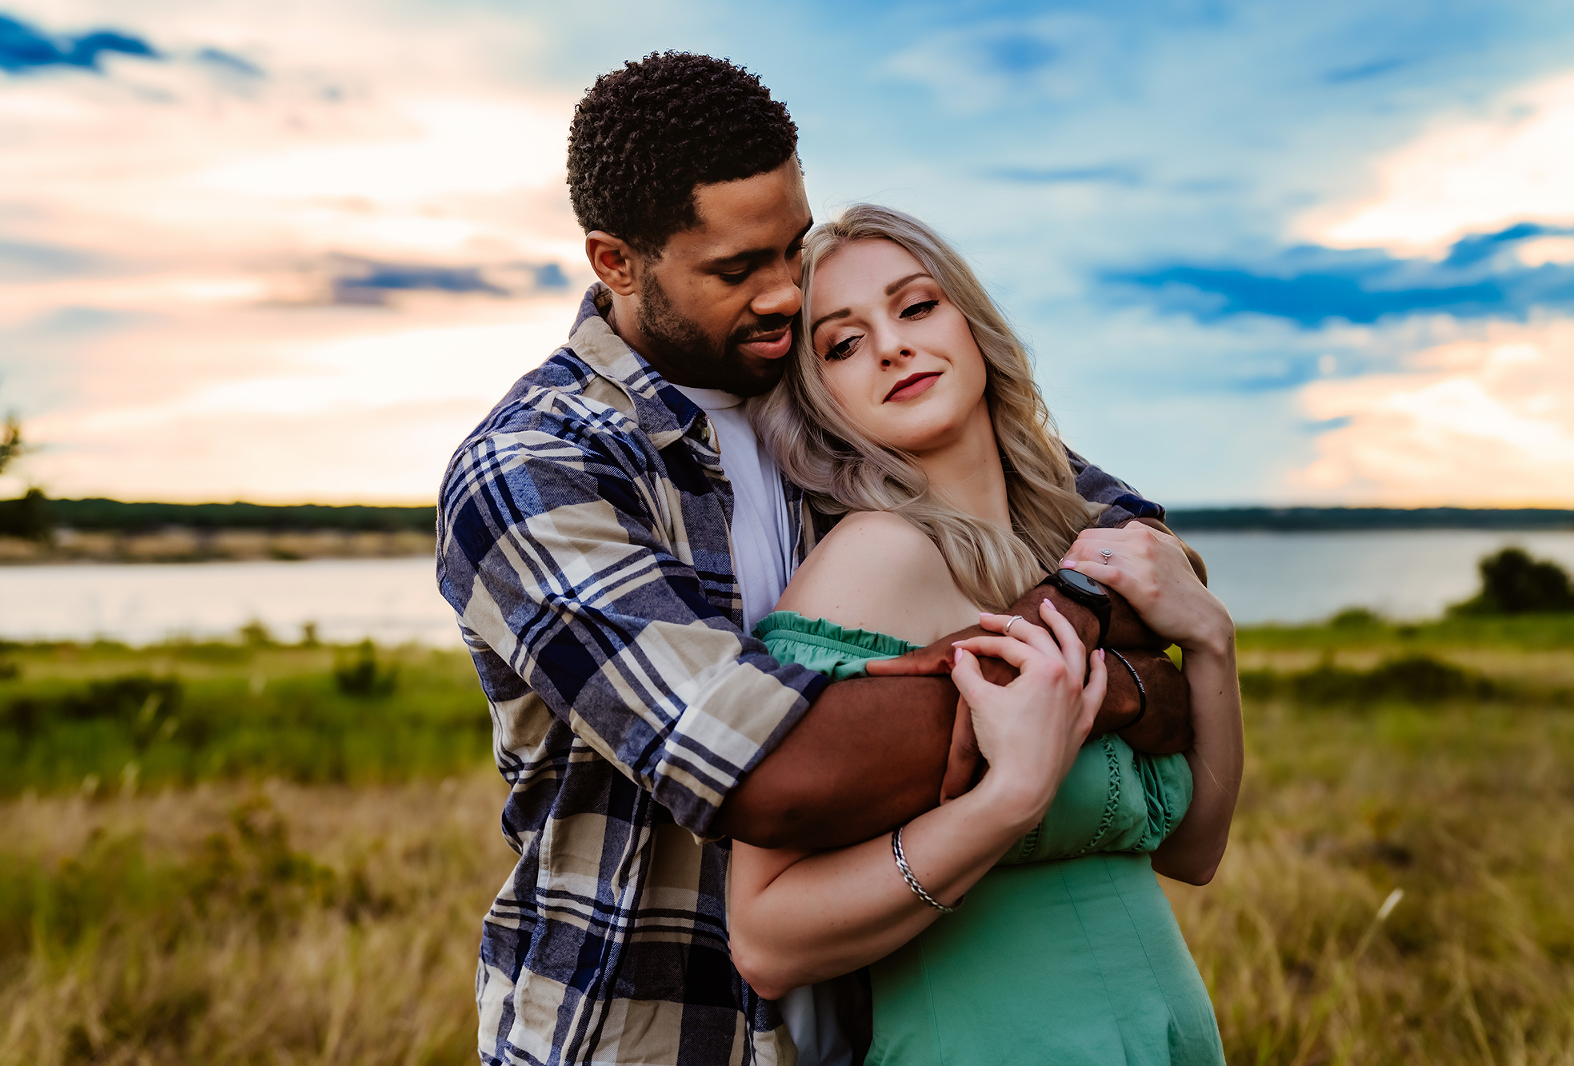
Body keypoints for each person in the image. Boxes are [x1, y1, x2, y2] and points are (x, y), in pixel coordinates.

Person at [436, 52, 1197, 1066]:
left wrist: (1079, 648)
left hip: (867, 1023)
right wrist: (1103, 691)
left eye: (791, 249)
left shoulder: (820, 400)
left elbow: (1127, 541)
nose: (787, 295)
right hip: (647, 1035)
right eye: (737, 269)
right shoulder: (534, 467)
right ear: (616, 262)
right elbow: (761, 773)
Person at [728, 205, 1243, 1063]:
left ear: (973, 325)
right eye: (843, 344)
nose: (891, 346)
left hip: (1171, 1038)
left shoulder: (1070, 556)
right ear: (818, 400)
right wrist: (1010, 799)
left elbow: (1196, 852)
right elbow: (768, 939)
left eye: (916, 306)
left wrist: (1213, 640)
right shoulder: (872, 563)